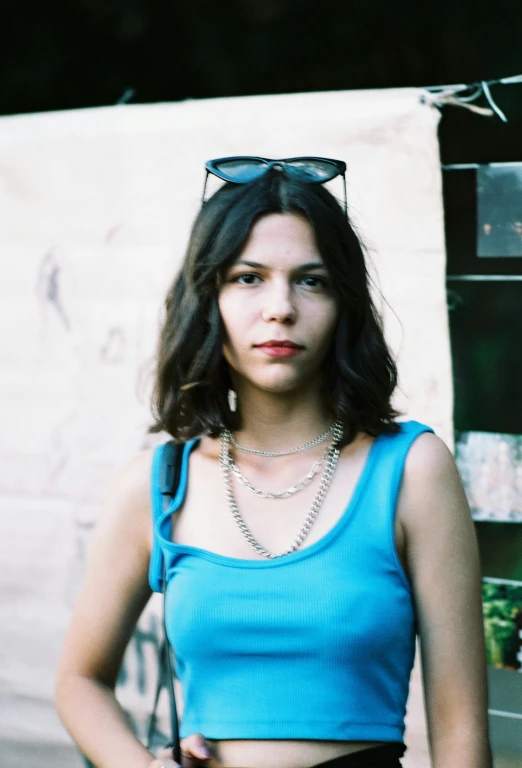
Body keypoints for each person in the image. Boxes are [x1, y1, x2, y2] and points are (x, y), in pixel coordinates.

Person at [55, 157, 493, 768]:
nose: (280, 307)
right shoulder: (158, 485)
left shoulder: (412, 469)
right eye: (248, 277)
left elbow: (462, 731)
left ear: (345, 303)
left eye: (311, 280)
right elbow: (79, 680)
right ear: (208, 297)